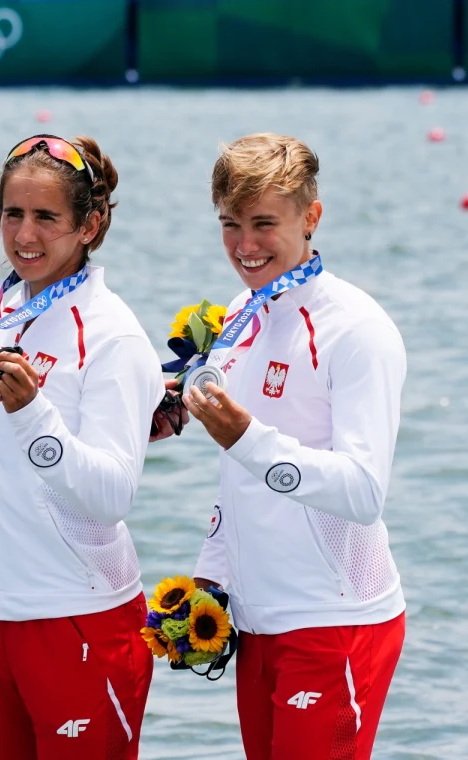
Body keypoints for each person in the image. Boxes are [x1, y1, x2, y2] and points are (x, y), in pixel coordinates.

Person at [180, 133, 406, 759]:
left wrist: (249, 439)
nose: (244, 247)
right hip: (257, 621)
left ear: (310, 217)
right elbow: (238, 479)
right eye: (229, 225)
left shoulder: (357, 330)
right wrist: (211, 576)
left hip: (336, 622)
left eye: (262, 224)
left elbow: (362, 492)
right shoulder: (241, 315)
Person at [0, 135, 163, 760]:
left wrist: (33, 415)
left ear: (89, 225)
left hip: (79, 617)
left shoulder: (112, 333)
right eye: (13, 214)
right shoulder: (1, 313)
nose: (24, 234)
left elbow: (111, 494)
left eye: (46, 217)